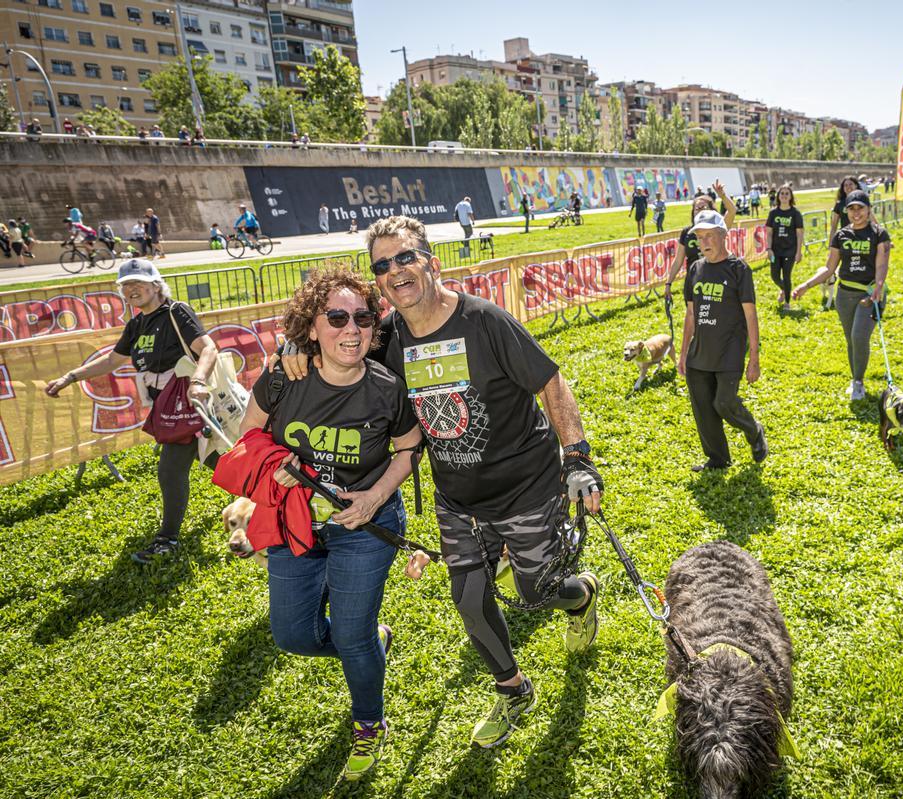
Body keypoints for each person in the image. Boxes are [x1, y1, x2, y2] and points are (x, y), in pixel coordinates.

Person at [282, 215, 604, 750]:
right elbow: (333, 349)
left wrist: (577, 456)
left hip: (528, 486)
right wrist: (292, 346)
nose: (394, 270)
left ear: (431, 262)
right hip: (459, 499)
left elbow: (550, 380)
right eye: (382, 264)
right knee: (470, 599)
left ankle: (580, 594)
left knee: (534, 590)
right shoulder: (385, 339)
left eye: (405, 257)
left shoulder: (484, 321)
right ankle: (513, 689)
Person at [236, 267, 416, 782]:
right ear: (310, 328)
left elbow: (407, 449)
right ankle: (370, 641)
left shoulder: (386, 388)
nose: (351, 328)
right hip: (294, 525)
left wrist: (374, 497)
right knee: (293, 635)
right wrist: (277, 468)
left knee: (352, 634)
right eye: (335, 317)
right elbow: (249, 434)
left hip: (365, 527)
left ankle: (369, 721)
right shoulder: (282, 378)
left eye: (362, 317)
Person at [45, 259, 218, 562]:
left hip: (187, 402)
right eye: (125, 285)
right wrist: (70, 376)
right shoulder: (137, 324)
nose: (131, 289)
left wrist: (199, 381)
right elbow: (112, 361)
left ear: (156, 284)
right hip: (165, 407)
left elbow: (208, 348)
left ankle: (168, 540)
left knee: (170, 469)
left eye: (138, 282)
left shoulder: (176, 312)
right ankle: (272, 494)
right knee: (216, 459)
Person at [677, 210, 766, 471]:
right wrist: (683, 354)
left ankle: (754, 430)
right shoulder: (695, 269)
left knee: (724, 403)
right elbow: (691, 314)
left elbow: (751, 315)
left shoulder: (738, 269)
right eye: (700, 237)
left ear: (723, 235)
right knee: (704, 410)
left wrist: (754, 358)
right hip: (700, 354)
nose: (704, 242)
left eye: (709, 235)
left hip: (729, 351)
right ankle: (718, 459)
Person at [792, 190, 890, 400]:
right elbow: (829, 268)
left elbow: (882, 265)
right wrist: (805, 286)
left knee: (859, 336)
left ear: (868, 209)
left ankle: (858, 383)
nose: (856, 213)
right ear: (846, 211)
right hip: (845, 295)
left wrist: (879, 287)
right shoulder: (841, 235)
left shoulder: (879, 233)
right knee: (850, 340)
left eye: (860, 208)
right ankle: (856, 378)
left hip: (869, 294)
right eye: (852, 208)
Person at [664, 180, 737, 298]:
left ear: (711, 210)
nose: (700, 210)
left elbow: (732, 211)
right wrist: (668, 283)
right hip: (694, 282)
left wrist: (722, 196)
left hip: (717, 281)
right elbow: (678, 260)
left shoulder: (719, 227)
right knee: (693, 315)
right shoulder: (686, 232)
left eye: (703, 207)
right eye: (697, 208)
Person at [764, 185, 805, 309]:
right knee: (774, 276)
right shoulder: (773, 213)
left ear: (791, 196)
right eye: (782, 193)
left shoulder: (795, 213)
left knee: (787, 276)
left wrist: (799, 252)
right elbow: (769, 233)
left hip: (790, 251)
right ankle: (784, 289)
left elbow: (799, 234)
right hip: (775, 251)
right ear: (778, 196)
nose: (784, 196)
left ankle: (787, 302)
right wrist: (769, 249)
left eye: (787, 193)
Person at [830, 176, 862, 243]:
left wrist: (882, 240)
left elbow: (873, 221)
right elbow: (833, 226)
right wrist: (831, 244)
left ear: (856, 186)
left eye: (851, 184)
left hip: (862, 237)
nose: (848, 187)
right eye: (845, 185)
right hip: (846, 239)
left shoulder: (863, 201)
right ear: (843, 188)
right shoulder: (839, 204)